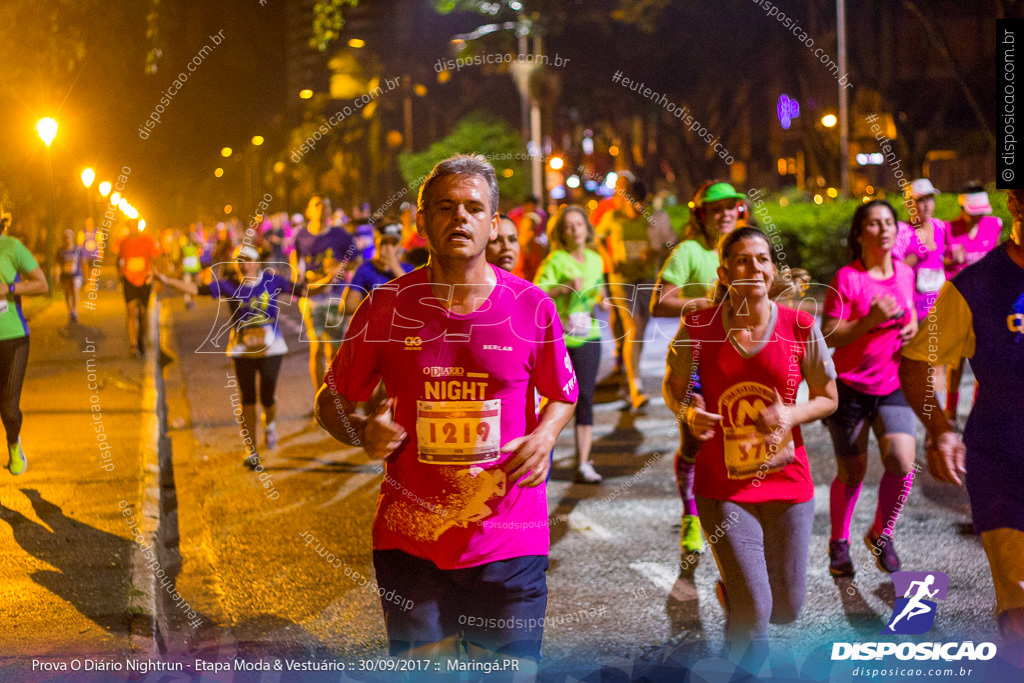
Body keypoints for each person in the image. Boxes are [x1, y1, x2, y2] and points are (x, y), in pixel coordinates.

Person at [315, 154, 577, 671]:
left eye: (474, 208)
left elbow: (563, 393)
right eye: (445, 207)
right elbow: (331, 400)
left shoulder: (531, 307)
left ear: (494, 223)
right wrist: (360, 430)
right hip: (411, 543)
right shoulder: (386, 306)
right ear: (422, 222)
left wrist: (545, 436)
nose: (460, 218)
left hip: (510, 540)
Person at [663, 226, 837, 664]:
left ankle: (733, 595)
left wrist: (790, 415)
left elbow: (828, 397)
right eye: (742, 260)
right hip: (723, 486)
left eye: (761, 259)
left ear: (772, 270)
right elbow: (674, 386)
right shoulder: (699, 326)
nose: (753, 268)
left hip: (789, 480)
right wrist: (688, 412)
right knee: (756, 612)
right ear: (724, 272)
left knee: (786, 608)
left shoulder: (800, 325)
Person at [900, 187, 1024, 652]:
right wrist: (940, 428)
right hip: (1006, 470)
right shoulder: (975, 288)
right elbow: (916, 363)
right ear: (1015, 205)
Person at [822, 199, 918, 577]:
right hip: (850, 388)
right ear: (860, 233)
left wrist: (911, 327)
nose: (883, 229)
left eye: (889, 223)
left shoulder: (904, 274)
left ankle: (882, 532)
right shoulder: (847, 278)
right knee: (853, 473)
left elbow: (908, 314)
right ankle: (839, 541)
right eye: (874, 224)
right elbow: (830, 332)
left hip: (893, 383)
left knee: (902, 461)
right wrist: (869, 321)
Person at [651, 181, 746, 554]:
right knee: (694, 440)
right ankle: (691, 517)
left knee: (741, 440)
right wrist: (705, 305)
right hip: (696, 358)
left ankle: (737, 516)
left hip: (740, 359)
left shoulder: (745, 247)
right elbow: (660, 301)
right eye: (715, 209)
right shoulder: (689, 251)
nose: (724, 214)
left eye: (730, 207)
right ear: (701, 215)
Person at [157, 244, 298, 467]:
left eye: (248, 260)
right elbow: (197, 290)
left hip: (272, 348)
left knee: (268, 399)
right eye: (239, 260)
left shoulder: (272, 280)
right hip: (242, 350)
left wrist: (332, 279)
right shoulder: (229, 285)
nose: (244, 264)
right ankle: (251, 450)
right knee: (248, 400)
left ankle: (269, 425)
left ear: (257, 262)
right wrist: (166, 280)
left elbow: (302, 289)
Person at [534, 206, 609, 484]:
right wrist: (562, 287)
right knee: (556, 397)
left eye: (579, 224)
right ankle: (542, 454)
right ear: (561, 233)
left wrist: (603, 300)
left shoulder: (595, 259)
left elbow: (600, 291)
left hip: (588, 336)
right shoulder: (555, 260)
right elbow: (536, 293)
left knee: (586, 397)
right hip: (560, 340)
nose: (575, 230)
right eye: (569, 226)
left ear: (586, 229)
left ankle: (584, 462)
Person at [597, 177, 673, 412]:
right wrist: (608, 259)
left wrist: (654, 254)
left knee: (638, 332)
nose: (636, 209)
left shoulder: (656, 219)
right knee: (634, 325)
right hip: (621, 280)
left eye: (640, 204)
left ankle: (631, 377)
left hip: (647, 279)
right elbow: (598, 238)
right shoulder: (613, 218)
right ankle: (635, 387)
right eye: (632, 204)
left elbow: (671, 244)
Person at [943, 188, 1003, 424]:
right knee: (956, 361)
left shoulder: (993, 224)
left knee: (984, 359)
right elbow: (939, 262)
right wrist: (949, 259)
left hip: (987, 304)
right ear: (962, 209)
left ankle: (978, 408)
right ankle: (950, 410)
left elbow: (998, 256)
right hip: (958, 303)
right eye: (972, 213)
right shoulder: (948, 229)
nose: (978, 217)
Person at [291, 194, 357, 394]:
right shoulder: (301, 235)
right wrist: (298, 277)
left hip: (335, 296)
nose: (322, 208)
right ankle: (319, 396)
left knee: (335, 350)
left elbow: (355, 261)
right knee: (316, 346)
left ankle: (333, 395)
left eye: (326, 205)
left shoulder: (341, 235)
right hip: (311, 299)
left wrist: (340, 267)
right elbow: (295, 259)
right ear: (309, 211)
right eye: (317, 205)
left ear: (330, 211)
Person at [0, 206, 49, 474]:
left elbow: (42, 284)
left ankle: (13, 443)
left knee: (8, 407)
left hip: (13, 336)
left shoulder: (11, 247)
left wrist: (8, 288)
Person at [894, 179, 948, 323]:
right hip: (914, 312)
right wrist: (918, 254)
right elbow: (893, 271)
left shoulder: (939, 226)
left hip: (941, 308)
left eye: (930, 199)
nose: (926, 205)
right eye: (920, 200)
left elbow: (944, 260)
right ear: (908, 204)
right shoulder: (902, 231)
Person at [343, 222, 413, 315]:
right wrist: (375, 307)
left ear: (399, 246)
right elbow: (347, 307)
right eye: (385, 243)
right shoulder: (365, 269)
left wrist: (393, 265)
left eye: (393, 244)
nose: (389, 248)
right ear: (376, 243)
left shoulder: (408, 269)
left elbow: (415, 297)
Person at [117, 219, 162, 358]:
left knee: (143, 313)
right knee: (130, 311)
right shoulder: (123, 242)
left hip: (144, 280)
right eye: (130, 226)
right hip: (129, 281)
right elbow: (119, 260)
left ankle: (142, 338)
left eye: (135, 226)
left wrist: (158, 279)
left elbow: (156, 259)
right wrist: (120, 276)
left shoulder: (147, 240)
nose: (133, 229)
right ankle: (132, 344)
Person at [57, 229, 86, 323]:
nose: (67, 240)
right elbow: (57, 264)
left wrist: (85, 276)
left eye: (68, 238)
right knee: (67, 293)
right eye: (65, 238)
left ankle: (75, 310)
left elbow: (83, 262)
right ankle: (70, 311)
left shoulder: (77, 249)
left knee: (75, 289)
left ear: (72, 238)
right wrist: (56, 275)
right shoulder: (60, 251)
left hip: (76, 275)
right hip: (65, 275)